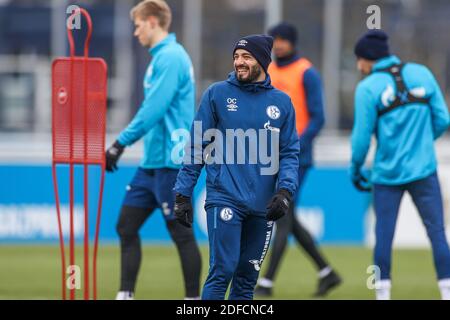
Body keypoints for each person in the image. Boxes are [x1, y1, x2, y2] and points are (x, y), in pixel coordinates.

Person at [173, 34, 300, 300]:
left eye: (246, 57)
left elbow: (289, 153)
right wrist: (183, 193)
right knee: (223, 271)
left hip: (263, 207)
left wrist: (285, 192)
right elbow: (197, 144)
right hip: (225, 197)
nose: (239, 62)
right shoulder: (217, 94)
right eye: (236, 57)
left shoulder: (282, 103)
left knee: (246, 280)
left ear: (263, 62)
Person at [105, 0, 201, 300]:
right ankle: (125, 294)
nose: (135, 33)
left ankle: (193, 301)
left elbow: (154, 109)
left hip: (172, 162)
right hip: (152, 162)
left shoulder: (171, 57)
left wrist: (121, 142)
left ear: (151, 22)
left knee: (181, 233)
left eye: (137, 25)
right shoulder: (161, 57)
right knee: (126, 226)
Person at [351, 30, 450, 300]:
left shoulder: (367, 88)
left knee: (383, 236)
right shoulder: (423, 73)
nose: (359, 66)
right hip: (424, 170)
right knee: (437, 233)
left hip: (386, 175)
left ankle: (382, 295)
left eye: (359, 60)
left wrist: (356, 167)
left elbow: (361, 139)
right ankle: (447, 292)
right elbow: (443, 119)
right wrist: (421, 143)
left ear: (368, 59)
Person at [255, 22, 341, 298]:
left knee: (282, 215)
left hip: (297, 159)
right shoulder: (267, 69)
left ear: (292, 42)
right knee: (287, 216)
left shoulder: (306, 72)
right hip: (270, 155)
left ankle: (266, 283)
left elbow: (318, 117)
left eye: (282, 40)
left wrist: (295, 145)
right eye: (274, 40)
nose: (278, 44)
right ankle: (327, 273)